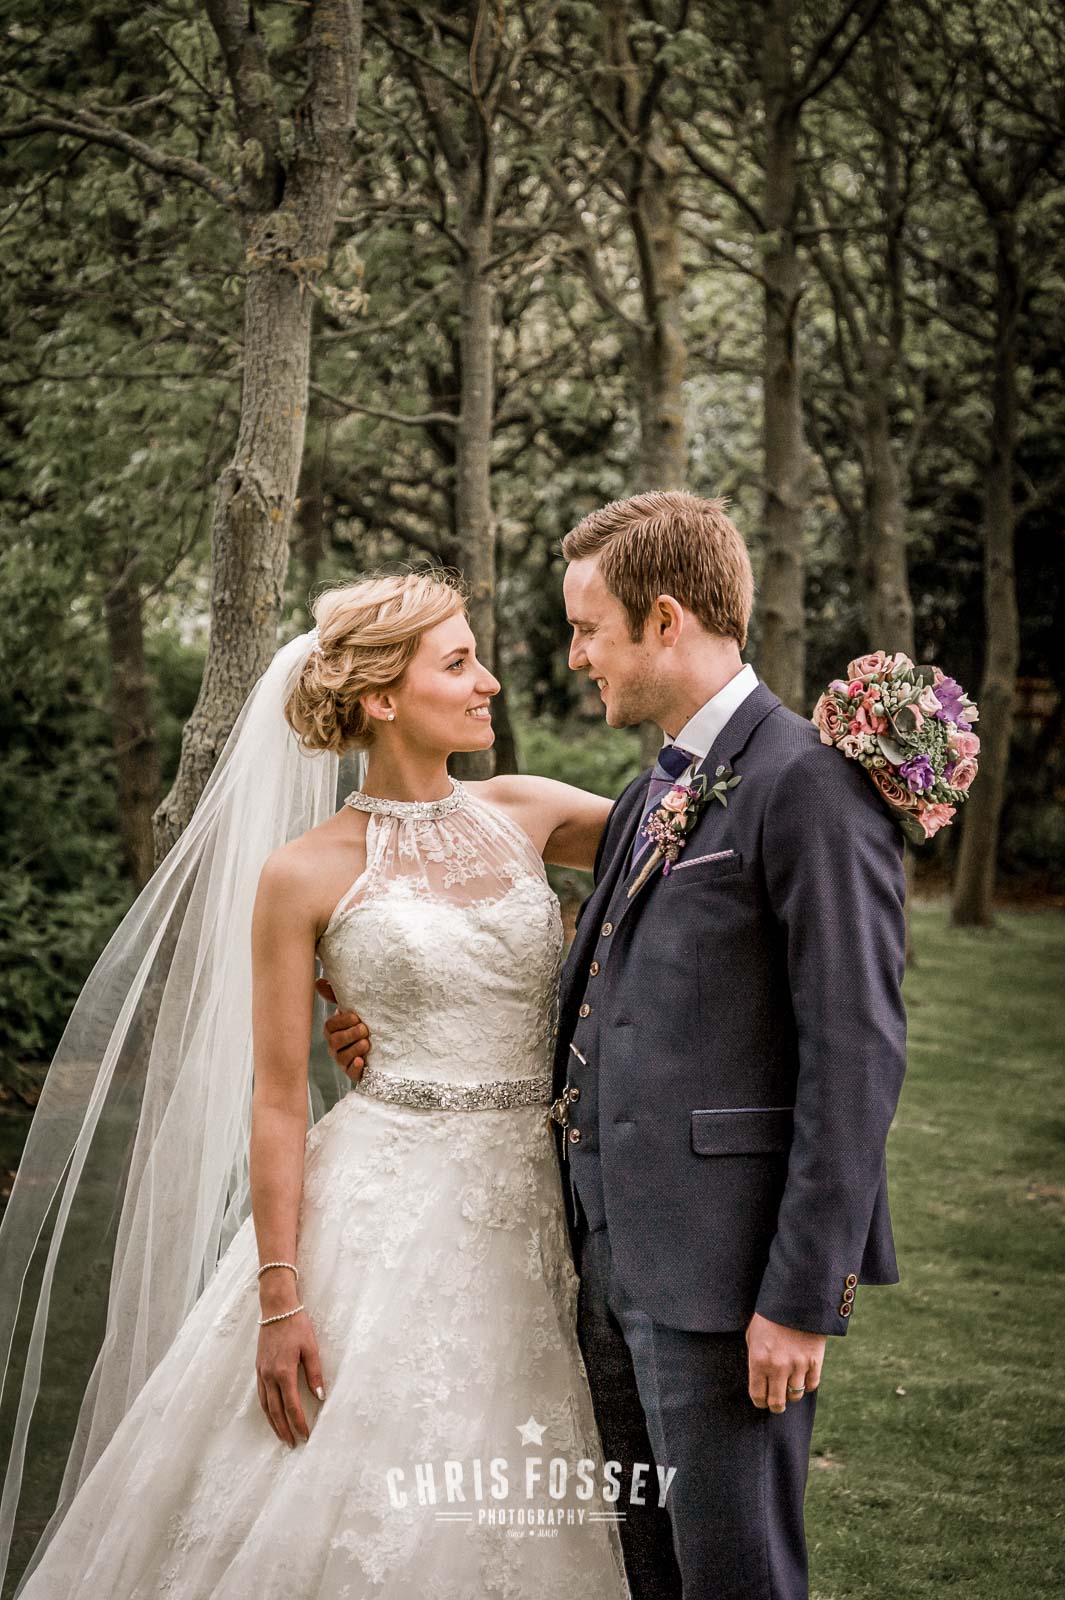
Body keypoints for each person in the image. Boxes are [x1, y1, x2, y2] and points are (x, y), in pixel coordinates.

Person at [0, 571, 632, 1599]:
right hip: (378, 1211)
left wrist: (874, 764)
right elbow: (281, 1096)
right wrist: (280, 1292)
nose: (493, 682)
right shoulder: (303, 874)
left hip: (537, 1198)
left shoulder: (530, 813)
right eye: (460, 662)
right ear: (382, 696)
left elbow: (701, 842)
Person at [325, 492, 910, 1600]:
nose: (573, 651)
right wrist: (392, 1027)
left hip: (728, 1280)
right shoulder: (653, 794)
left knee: (735, 1575)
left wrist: (800, 1297)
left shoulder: (808, 786)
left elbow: (858, 1055)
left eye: (589, 627)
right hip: (604, 1261)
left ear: (666, 620)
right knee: (642, 1573)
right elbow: (588, 989)